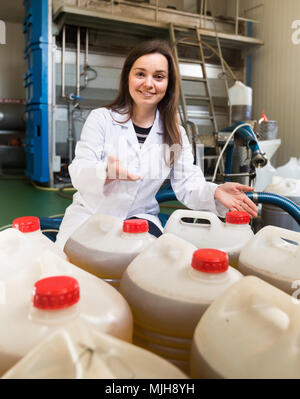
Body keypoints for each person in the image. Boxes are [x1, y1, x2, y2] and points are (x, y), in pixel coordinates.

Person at [56, 39, 258, 249]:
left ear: (168, 84)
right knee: (68, 264)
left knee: (146, 270)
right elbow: (79, 171)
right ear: (128, 77)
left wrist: (214, 191)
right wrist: (105, 171)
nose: (149, 84)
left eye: (159, 77)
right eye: (140, 74)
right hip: (91, 215)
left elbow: (187, 183)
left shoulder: (175, 135)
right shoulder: (102, 120)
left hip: (140, 219)